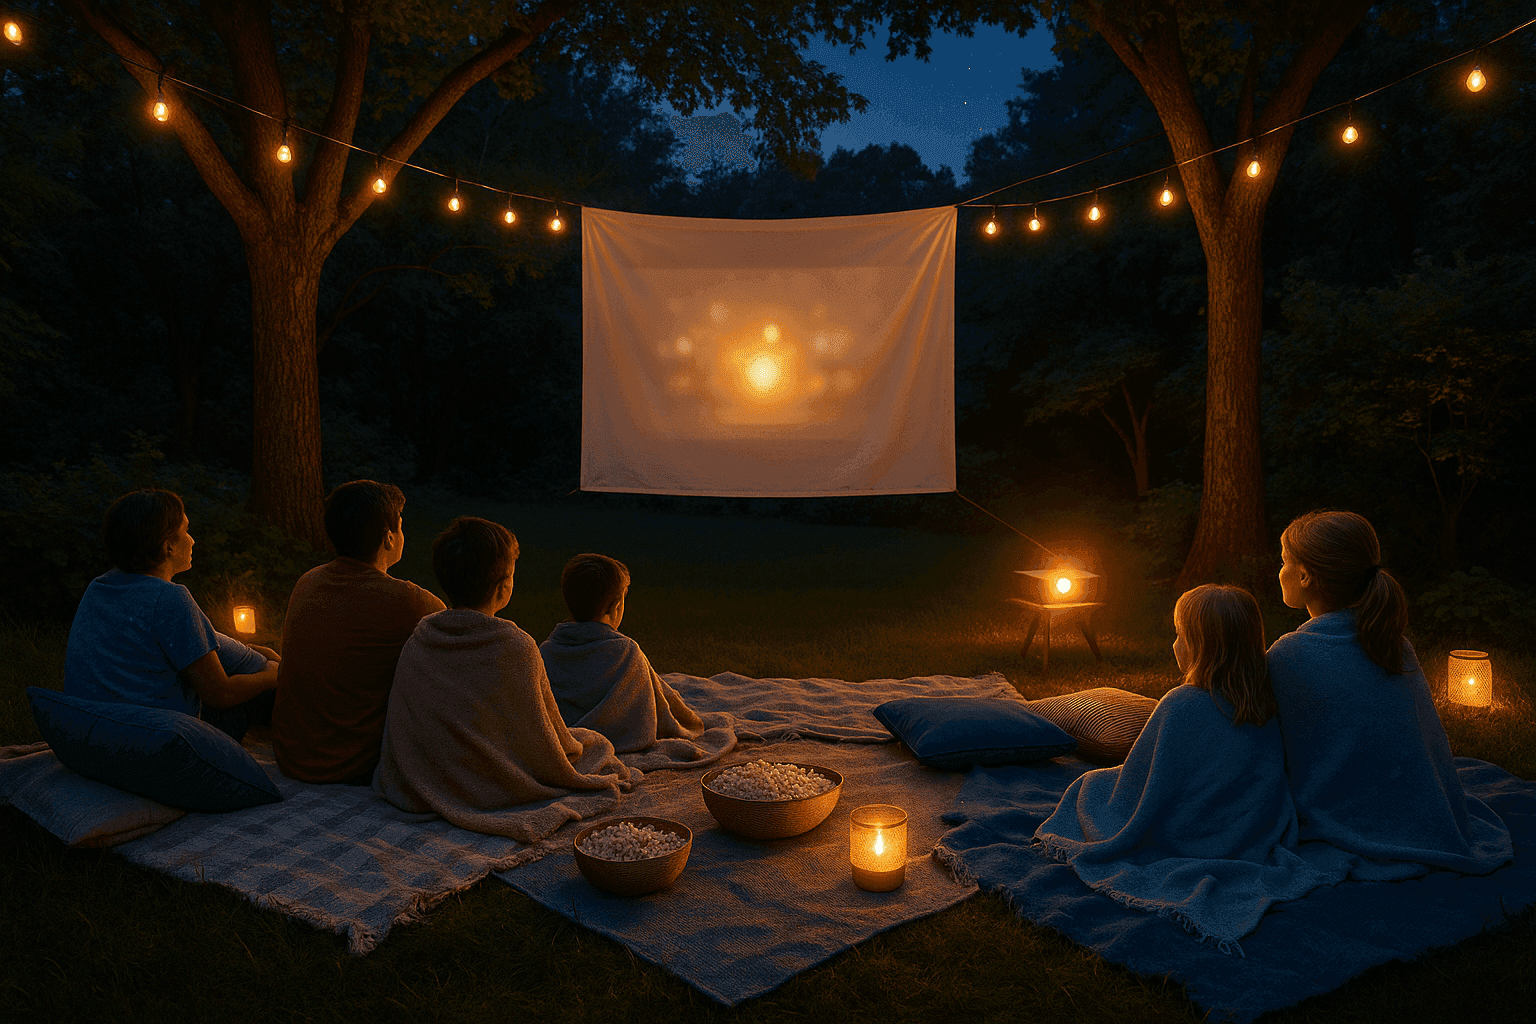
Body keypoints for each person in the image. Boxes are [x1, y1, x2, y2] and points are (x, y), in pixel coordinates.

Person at [1034, 585, 1330, 950]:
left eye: (1179, 635)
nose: (1174, 645)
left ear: (1198, 646)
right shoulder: (1265, 706)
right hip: (1250, 833)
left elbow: (1141, 784)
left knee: (1091, 785)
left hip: (1190, 831)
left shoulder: (1182, 705)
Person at [1268, 509, 1511, 877]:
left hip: (1349, 815)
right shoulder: (1395, 644)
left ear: (1304, 576)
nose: (1279, 570)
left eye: (1283, 561)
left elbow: (1265, 747)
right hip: (1411, 807)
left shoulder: (1289, 655)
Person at [374, 517, 632, 839]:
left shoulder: (421, 639)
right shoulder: (515, 647)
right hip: (486, 782)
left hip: (424, 778)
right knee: (596, 746)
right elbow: (545, 737)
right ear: (504, 586)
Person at [64, 488, 279, 741]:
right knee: (269, 692)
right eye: (186, 531)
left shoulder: (99, 588)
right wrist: (275, 674)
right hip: (154, 741)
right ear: (168, 546)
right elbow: (221, 695)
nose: (192, 540)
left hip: (92, 733)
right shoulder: (169, 597)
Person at [270, 480, 444, 785]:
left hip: (291, 757)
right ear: (389, 539)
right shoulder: (412, 603)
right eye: (401, 527)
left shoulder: (307, 582)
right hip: (352, 768)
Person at [539, 553, 708, 753]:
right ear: (616, 606)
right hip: (615, 744)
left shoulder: (546, 651)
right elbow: (651, 705)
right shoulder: (627, 652)